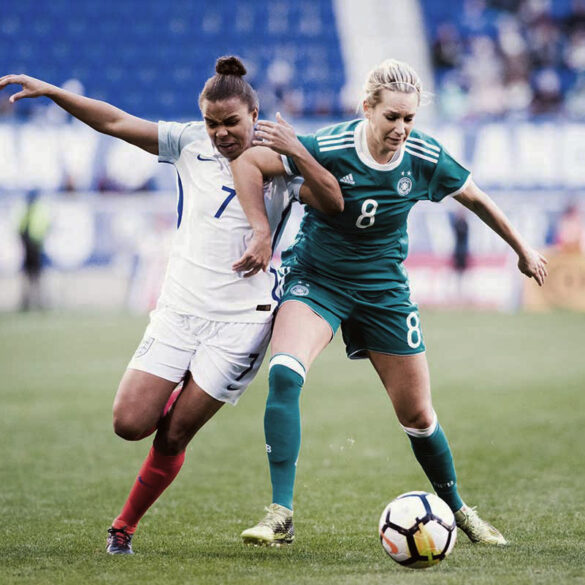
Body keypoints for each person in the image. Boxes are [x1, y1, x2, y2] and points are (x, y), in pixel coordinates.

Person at [0, 57, 342, 555]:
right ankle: (174, 381)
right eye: (212, 123)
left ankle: (124, 526)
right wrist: (54, 91)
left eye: (232, 122)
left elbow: (333, 202)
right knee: (129, 423)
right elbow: (115, 121)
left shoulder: (281, 157)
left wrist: (300, 155)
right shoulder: (187, 144)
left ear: (254, 114)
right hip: (178, 311)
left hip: (241, 324)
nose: (222, 133)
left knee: (174, 434)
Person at [230, 58, 548, 547]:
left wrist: (522, 249)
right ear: (367, 109)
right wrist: (260, 230)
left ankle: (459, 510)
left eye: (409, 118)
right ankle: (280, 512)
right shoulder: (329, 146)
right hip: (317, 278)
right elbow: (249, 160)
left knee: (418, 416)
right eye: (392, 117)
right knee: (285, 372)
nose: (401, 128)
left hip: (383, 290)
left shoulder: (424, 156)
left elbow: (477, 198)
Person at [18, 189, 50, 311]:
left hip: (33, 245)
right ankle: (32, 302)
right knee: (32, 275)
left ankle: (34, 302)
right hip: (31, 245)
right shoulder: (37, 209)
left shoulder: (28, 209)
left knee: (33, 275)